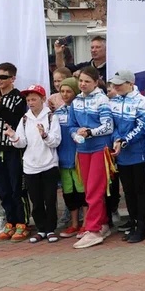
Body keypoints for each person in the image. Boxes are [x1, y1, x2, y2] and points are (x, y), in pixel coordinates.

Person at [6, 85, 62, 244]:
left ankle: (51, 229)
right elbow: (21, 143)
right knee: (36, 201)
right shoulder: (25, 119)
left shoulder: (51, 117)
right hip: (30, 166)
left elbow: (56, 141)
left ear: (43, 99)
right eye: (28, 99)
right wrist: (13, 137)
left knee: (50, 199)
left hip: (49, 164)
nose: (30, 102)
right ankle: (41, 229)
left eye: (34, 99)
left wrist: (44, 135)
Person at [67, 66, 114, 249]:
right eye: (81, 81)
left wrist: (90, 132)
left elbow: (108, 126)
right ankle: (102, 224)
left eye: (87, 81)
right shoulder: (76, 101)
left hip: (100, 149)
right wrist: (76, 134)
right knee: (88, 189)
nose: (83, 84)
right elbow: (70, 126)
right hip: (82, 150)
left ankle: (93, 229)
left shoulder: (102, 100)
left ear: (95, 82)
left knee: (95, 189)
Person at [0, 63, 29, 242]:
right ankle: (10, 221)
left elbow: (15, 120)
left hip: (13, 150)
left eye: (3, 77)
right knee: (3, 189)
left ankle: (22, 223)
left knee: (17, 187)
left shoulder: (18, 98)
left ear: (12, 79)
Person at [109, 70, 145, 243]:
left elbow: (143, 126)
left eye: (120, 83)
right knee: (128, 191)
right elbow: (113, 126)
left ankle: (141, 226)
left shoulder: (141, 101)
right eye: (114, 83)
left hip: (138, 154)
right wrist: (116, 140)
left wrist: (124, 140)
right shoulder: (114, 101)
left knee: (139, 190)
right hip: (122, 155)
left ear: (130, 83)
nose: (116, 86)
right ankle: (133, 222)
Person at [54, 77, 86, 238]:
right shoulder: (57, 113)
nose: (65, 94)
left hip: (78, 158)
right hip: (63, 159)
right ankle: (74, 224)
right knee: (68, 193)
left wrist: (78, 153)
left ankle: (86, 223)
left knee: (82, 192)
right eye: (62, 91)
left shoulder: (81, 110)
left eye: (69, 91)